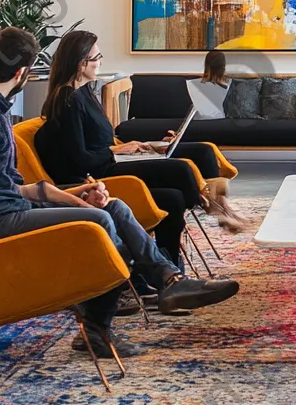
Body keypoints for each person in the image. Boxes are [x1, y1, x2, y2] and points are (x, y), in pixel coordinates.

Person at [0, 27, 239, 360]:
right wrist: (51, 203)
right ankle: (102, 326)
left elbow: (9, 184)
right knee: (99, 220)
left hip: (2, 208)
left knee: (112, 208)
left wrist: (77, 194)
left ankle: (168, 281)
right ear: (22, 73)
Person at [35, 32, 247, 259]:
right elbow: (79, 159)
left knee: (202, 152)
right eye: (97, 57)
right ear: (81, 63)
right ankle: (212, 206)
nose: (101, 62)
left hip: (113, 159)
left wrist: (143, 145)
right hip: (103, 171)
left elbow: (99, 140)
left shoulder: (84, 92)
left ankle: (210, 206)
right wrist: (115, 151)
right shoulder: (69, 100)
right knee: (181, 171)